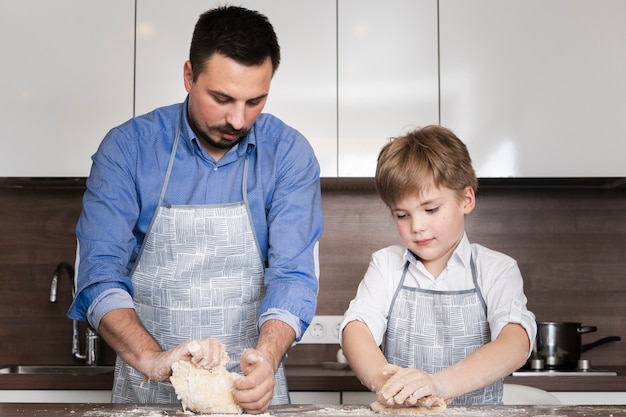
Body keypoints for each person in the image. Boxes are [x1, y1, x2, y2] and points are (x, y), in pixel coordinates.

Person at [68, 5, 323, 414]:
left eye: (254, 101)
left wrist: (268, 360)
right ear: (189, 76)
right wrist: (154, 360)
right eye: (221, 98)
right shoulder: (127, 150)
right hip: (144, 393)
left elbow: (293, 275)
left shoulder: (289, 154)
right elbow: (98, 274)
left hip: (249, 396)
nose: (238, 120)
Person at [339, 125, 536, 406]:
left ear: (466, 200)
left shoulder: (496, 269)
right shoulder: (386, 265)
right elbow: (356, 330)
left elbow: (515, 343)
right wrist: (392, 389)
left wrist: (438, 384)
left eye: (431, 209)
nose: (417, 226)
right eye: (402, 215)